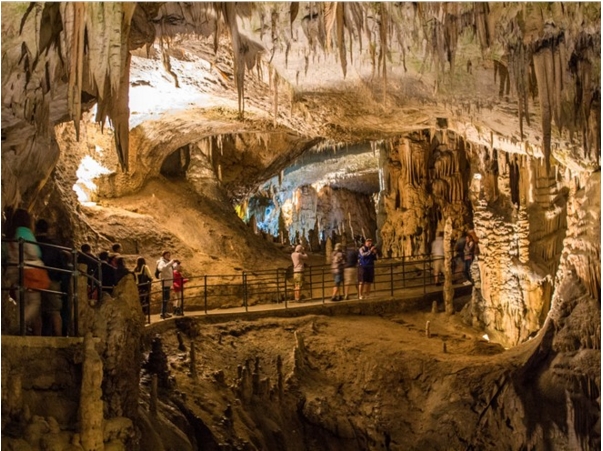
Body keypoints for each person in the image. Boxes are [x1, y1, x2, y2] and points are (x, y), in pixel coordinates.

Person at [7, 209, 45, 335]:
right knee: (34, 302)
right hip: (27, 271)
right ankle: (18, 324)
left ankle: (21, 328)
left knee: (21, 301)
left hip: (13, 269)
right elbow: (35, 252)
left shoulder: (11, 233)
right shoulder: (24, 232)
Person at [35, 219, 65, 336]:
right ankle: (59, 335)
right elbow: (61, 262)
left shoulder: (33, 243)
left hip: (35, 278)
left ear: (36, 228)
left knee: (36, 310)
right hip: (52, 279)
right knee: (54, 311)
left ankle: (36, 336)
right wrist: (59, 278)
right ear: (47, 229)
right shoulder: (54, 245)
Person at [157, 250, 176, 318]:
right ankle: (163, 313)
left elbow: (170, 269)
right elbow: (162, 269)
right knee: (165, 298)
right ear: (164, 255)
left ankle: (164, 312)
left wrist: (175, 264)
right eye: (167, 255)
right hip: (165, 283)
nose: (169, 256)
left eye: (169, 255)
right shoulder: (161, 262)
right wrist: (170, 263)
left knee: (166, 297)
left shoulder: (166, 262)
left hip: (167, 282)